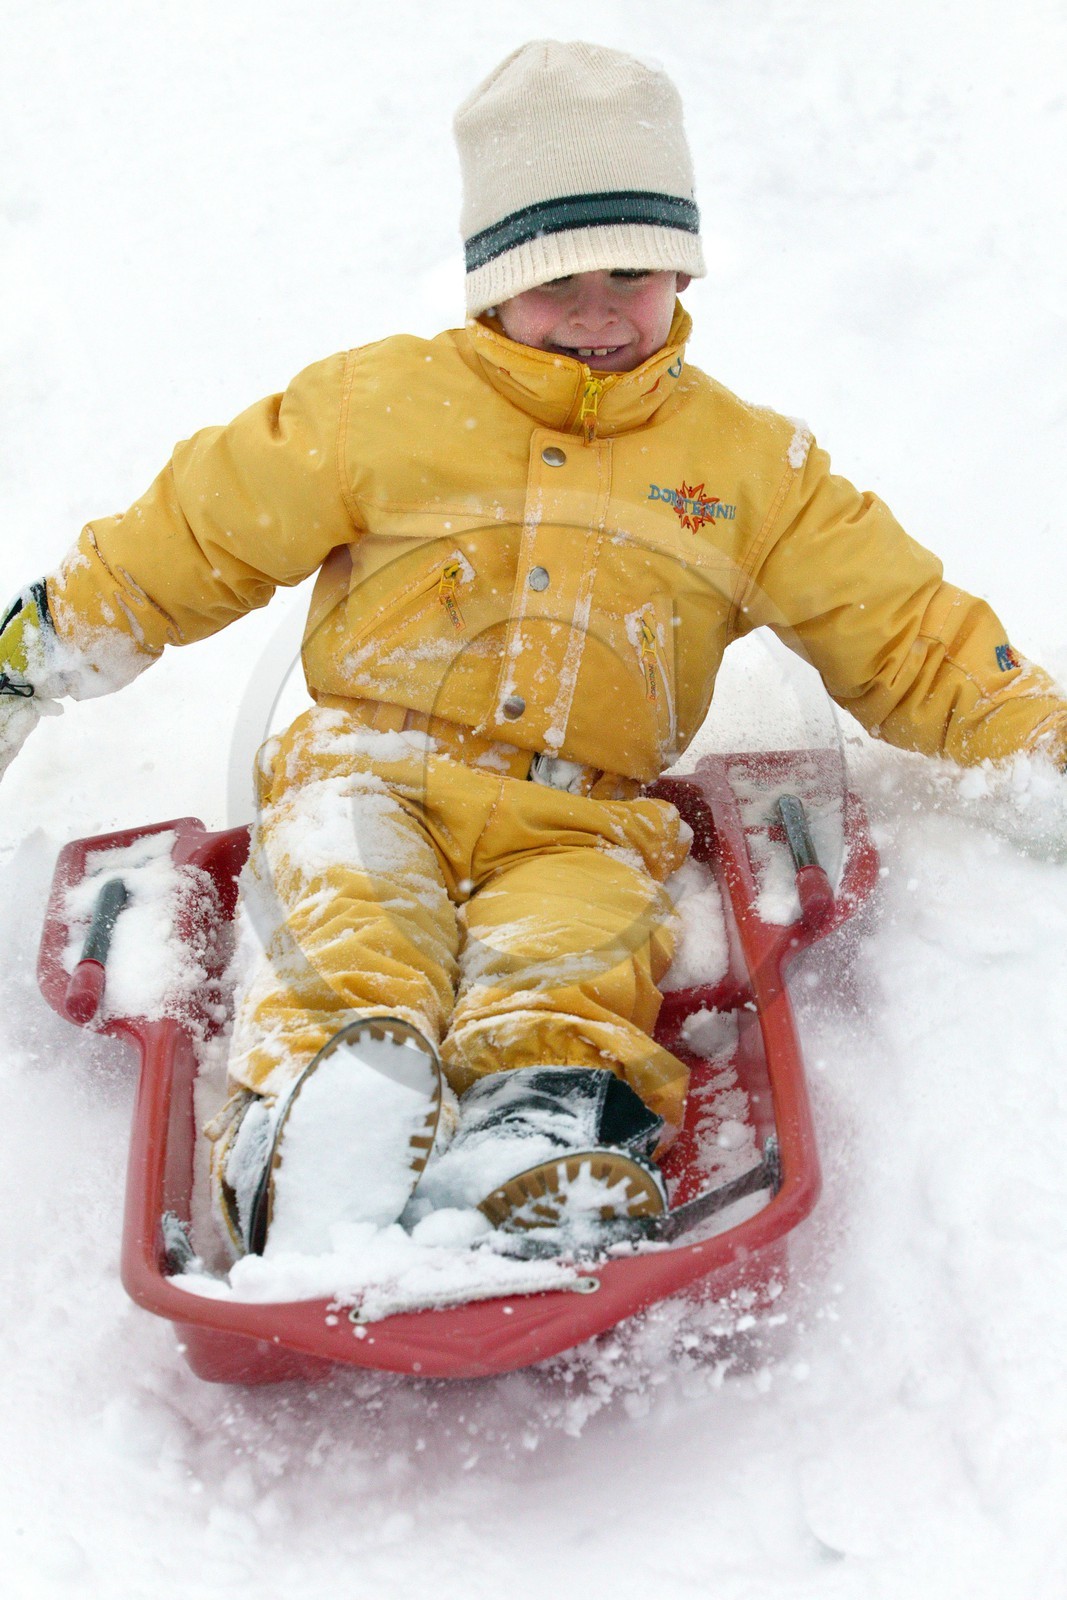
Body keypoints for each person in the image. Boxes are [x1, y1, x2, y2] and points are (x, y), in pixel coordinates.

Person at [3, 41, 1065, 1257]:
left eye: (631, 271)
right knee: (348, 927)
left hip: (582, 821)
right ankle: (321, 1133)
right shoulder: (374, 409)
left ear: (681, 268)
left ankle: (536, 1136)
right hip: (367, 777)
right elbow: (192, 535)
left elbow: (904, 631)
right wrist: (37, 651)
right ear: (493, 283)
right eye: (556, 278)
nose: (597, 309)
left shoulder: (746, 473)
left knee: (571, 962)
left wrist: (1035, 742)